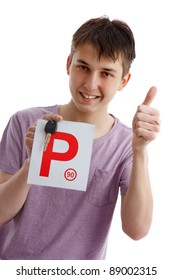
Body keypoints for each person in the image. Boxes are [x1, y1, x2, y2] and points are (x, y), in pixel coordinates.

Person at [0, 16, 160, 260]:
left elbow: (136, 230)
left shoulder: (126, 145)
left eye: (106, 73)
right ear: (68, 64)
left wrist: (140, 150)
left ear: (123, 81)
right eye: (83, 67)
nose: (90, 84)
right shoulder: (25, 123)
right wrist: (32, 166)